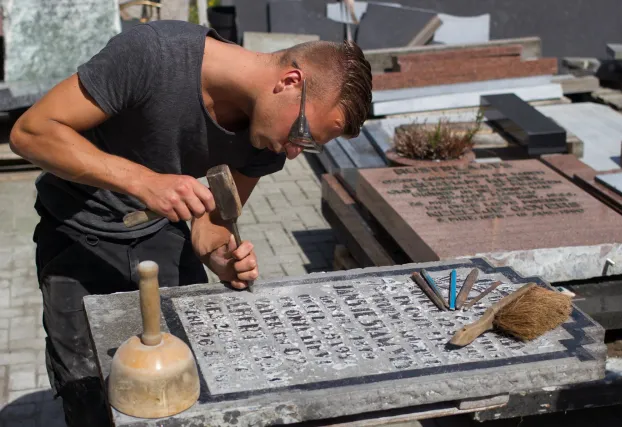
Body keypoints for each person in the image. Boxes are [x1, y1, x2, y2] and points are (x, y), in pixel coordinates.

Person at [9, 19, 372, 427]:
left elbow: (211, 226)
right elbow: (30, 133)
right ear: (290, 81)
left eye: (308, 146)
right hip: (79, 231)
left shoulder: (265, 143)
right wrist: (145, 181)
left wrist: (220, 257)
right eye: (302, 134)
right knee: (90, 395)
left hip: (162, 234)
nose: (291, 152)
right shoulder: (153, 55)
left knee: (182, 388)